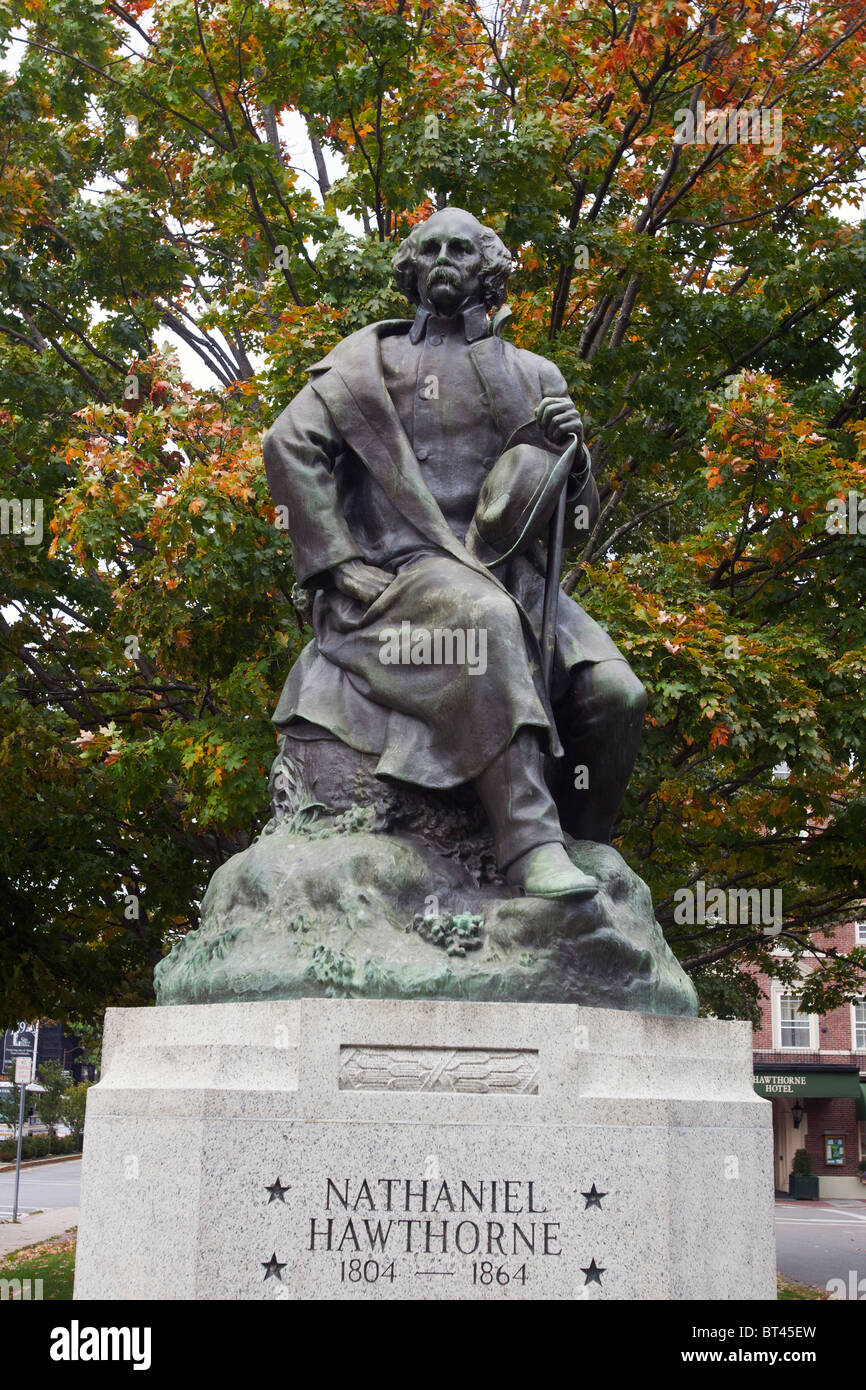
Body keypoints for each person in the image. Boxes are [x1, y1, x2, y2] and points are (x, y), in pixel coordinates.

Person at [263, 207, 647, 898]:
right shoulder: (367, 361)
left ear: (488, 270)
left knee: (618, 693)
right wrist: (335, 559)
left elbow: (576, 524)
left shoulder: (535, 374)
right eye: (430, 248)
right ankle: (530, 846)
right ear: (410, 268)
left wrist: (576, 459)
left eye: (461, 250)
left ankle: (588, 852)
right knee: (483, 623)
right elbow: (287, 444)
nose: (444, 259)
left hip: (515, 576)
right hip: (408, 572)